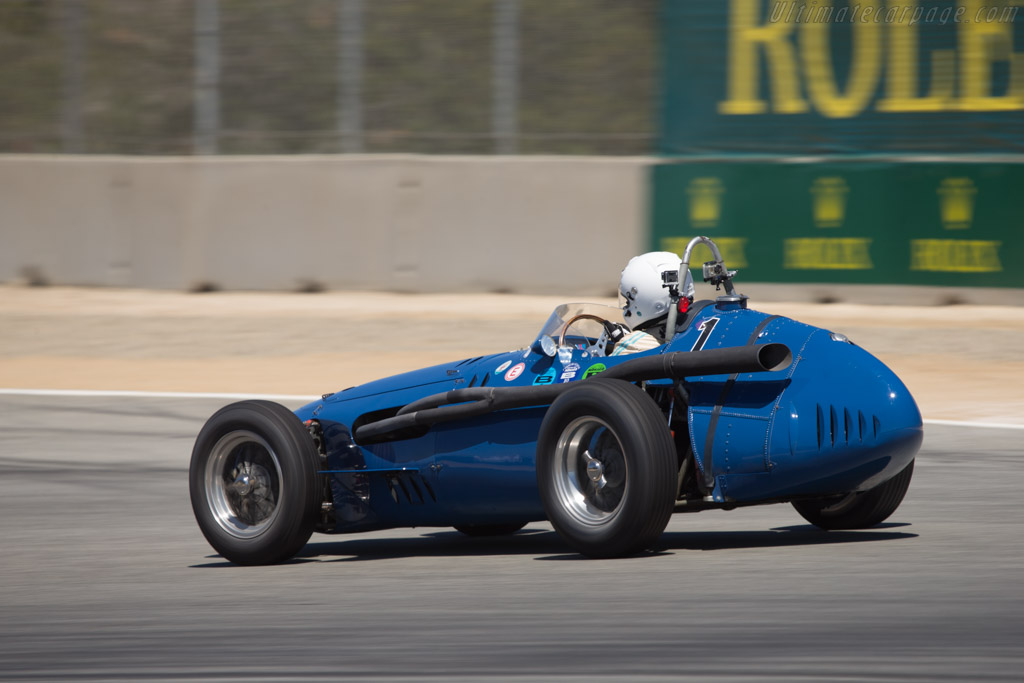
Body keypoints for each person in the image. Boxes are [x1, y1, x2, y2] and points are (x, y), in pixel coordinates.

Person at [596, 251, 695, 356]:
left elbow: (599, 368)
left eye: (628, 301)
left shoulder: (633, 345)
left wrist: (629, 340)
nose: (626, 306)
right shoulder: (695, 326)